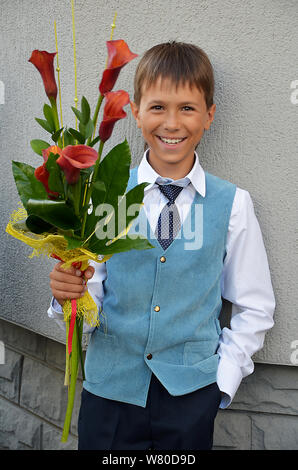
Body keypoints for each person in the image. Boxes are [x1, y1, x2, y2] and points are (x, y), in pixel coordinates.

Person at [48, 41, 275, 450]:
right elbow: (90, 296)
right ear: (135, 112)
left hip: (190, 400)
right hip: (110, 397)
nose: (172, 123)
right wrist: (68, 294)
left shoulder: (233, 204)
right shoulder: (104, 196)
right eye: (157, 107)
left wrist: (220, 383)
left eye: (187, 108)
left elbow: (255, 306)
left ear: (208, 115)